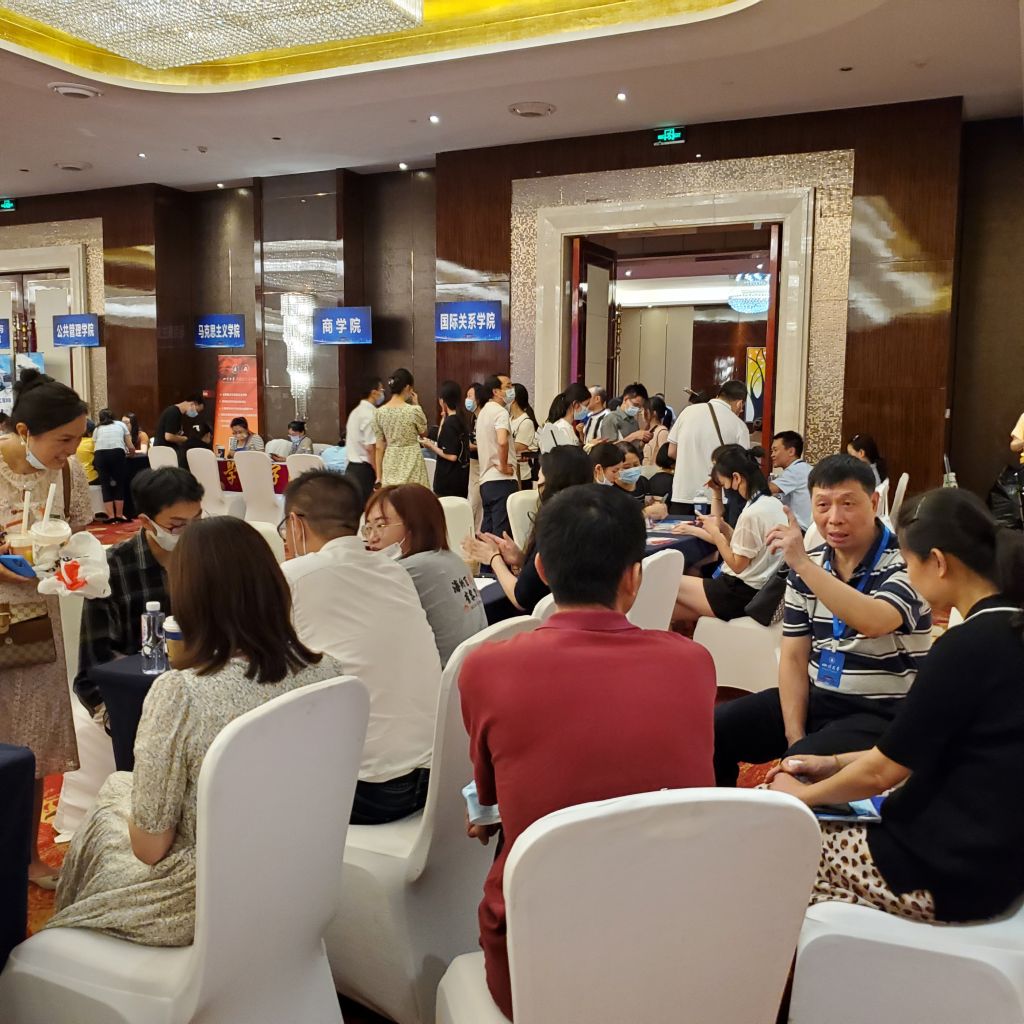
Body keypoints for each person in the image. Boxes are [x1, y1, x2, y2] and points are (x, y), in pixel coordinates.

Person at [459, 484, 717, 1020]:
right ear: (634, 576)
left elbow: (489, 800)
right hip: (674, 942)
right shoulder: (694, 663)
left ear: (542, 569)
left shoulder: (485, 667)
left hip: (537, 957)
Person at [48, 517, 344, 944]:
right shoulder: (329, 672)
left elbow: (150, 848)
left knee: (110, 804)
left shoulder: (181, 694)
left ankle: (69, 952)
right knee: (118, 788)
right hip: (300, 874)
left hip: (198, 897)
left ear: (188, 597)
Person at [769, 488, 1024, 926]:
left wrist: (802, 799)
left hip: (940, 871)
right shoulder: (1008, 625)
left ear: (938, 562)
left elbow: (883, 772)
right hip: (994, 858)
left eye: (909, 564)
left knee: (762, 830)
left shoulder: (966, 647)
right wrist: (833, 762)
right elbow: (919, 749)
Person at [713, 454, 933, 787]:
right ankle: (717, 814)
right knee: (712, 729)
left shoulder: (906, 561)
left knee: (793, 775)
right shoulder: (811, 564)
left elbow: (875, 620)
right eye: (823, 505)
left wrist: (803, 565)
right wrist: (794, 736)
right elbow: (793, 656)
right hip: (819, 698)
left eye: (848, 504)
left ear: (874, 502)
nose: (834, 518)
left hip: (881, 711)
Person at [279, 470, 442, 823]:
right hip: (437, 776)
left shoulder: (293, 578)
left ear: (294, 523)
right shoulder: (394, 572)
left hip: (368, 791)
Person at [0, 368, 92, 886]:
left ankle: (27, 857)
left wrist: (71, 561)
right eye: (63, 439)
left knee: (31, 739)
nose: (72, 450)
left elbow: (78, 532)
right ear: (23, 432)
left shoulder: (68, 473)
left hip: (33, 620)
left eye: (77, 438)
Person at [76, 467, 205, 707]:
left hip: (200, 686)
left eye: (197, 521)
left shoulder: (207, 556)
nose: (190, 534)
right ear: (146, 522)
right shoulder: (111, 568)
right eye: (178, 526)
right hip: (136, 692)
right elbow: (95, 665)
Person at [465, 447, 592, 623]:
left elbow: (521, 598)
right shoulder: (589, 520)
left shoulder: (555, 526)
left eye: (539, 480)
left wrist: (493, 558)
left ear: (552, 484)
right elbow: (552, 571)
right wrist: (521, 559)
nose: (537, 487)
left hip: (548, 623)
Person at [363, 484, 486, 666]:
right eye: (368, 527)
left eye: (381, 525)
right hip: (473, 670)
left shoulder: (404, 571)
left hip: (440, 678)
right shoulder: (452, 559)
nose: (372, 537)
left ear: (414, 525)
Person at [673, 445, 788, 625]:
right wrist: (724, 527)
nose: (726, 489)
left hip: (739, 593)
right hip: (756, 588)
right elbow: (748, 547)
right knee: (670, 608)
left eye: (724, 484)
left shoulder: (752, 513)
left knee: (667, 582)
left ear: (736, 478)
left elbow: (737, 565)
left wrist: (715, 533)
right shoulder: (772, 504)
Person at [667, 381, 750, 514]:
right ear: (740, 403)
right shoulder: (739, 425)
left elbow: (671, 452)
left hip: (682, 495)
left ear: (719, 395)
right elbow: (742, 466)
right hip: (717, 500)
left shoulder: (687, 412)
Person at [475, 374, 517, 538]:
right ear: (496, 391)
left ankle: (485, 557)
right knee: (502, 537)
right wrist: (504, 466)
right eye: (508, 386)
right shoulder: (500, 412)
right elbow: (502, 441)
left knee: (488, 534)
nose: (511, 389)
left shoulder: (483, 413)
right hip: (502, 480)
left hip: (486, 481)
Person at [375, 367, 429, 488]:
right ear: (407, 387)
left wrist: (379, 477)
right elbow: (424, 433)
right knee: (414, 497)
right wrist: (416, 404)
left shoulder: (379, 413)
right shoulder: (413, 410)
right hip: (412, 461)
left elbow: (379, 447)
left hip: (390, 462)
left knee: (393, 496)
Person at [422, 379, 470, 499]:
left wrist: (430, 446)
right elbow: (441, 438)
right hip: (461, 479)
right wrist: (444, 416)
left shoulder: (450, 423)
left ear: (443, 400)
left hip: (448, 481)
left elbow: (451, 456)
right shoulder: (460, 418)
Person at [343, 374, 383, 505]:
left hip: (351, 468)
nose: (383, 393)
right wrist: (378, 475)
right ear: (374, 393)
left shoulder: (355, 412)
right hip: (364, 471)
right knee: (367, 509)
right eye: (381, 390)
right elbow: (371, 448)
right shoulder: (370, 414)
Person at [92, 407, 136, 522]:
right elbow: (130, 445)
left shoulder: (97, 429)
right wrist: (131, 454)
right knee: (119, 484)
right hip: (117, 453)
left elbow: (95, 446)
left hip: (100, 454)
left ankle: (111, 516)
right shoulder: (121, 425)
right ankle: (119, 515)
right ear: (113, 416)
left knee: (105, 485)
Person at [769, 430, 812, 531]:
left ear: (791, 451)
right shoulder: (803, 468)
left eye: (775, 450)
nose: (772, 455)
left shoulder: (796, 470)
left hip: (801, 530)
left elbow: (768, 489)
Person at [615, 442, 667, 519]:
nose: (633, 469)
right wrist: (645, 512)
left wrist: (656, 507)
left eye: (636, 465)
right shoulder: (611, 489)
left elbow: (649, 503)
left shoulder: (643, 482)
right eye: (626, 467)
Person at [153, 392, 204, 467]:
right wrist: (185, 439)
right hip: (165, 453)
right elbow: (169, 436)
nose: (196, 414)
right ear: (193, 404)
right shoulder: (173, 412)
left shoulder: (178, 413)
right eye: (197, 411)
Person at [537, 382, 589, 453]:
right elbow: (568, 456)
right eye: (586, 405)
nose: (587, 409)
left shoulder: (567, 427)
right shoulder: (562, 428)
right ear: (576, 404)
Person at [599, 382, 653, 446]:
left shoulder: (634, 422)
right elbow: (608, 448)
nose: (637, 408)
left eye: (640, 407)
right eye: (635, 404)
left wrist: (643, 440)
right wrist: (633, 437)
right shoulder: (611, 418)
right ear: (625, 399)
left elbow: (635, 447)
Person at [508, 382, 538, 489]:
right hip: (510, 473)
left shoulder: (526, 422)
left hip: (522, 475)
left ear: (514, 399)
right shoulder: (509, 419)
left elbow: (518, 447)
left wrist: (498, 444)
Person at [643, 395, 672, 465]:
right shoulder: (649, 430)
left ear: (654, 413)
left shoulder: (662, 432)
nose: (642, 413)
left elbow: (665, 458)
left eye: (645, 410)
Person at [75, 418, 98, 486]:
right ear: (90, 433)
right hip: (92, 478)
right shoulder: (92, 442)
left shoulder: (73, 442)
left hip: (76, 477)